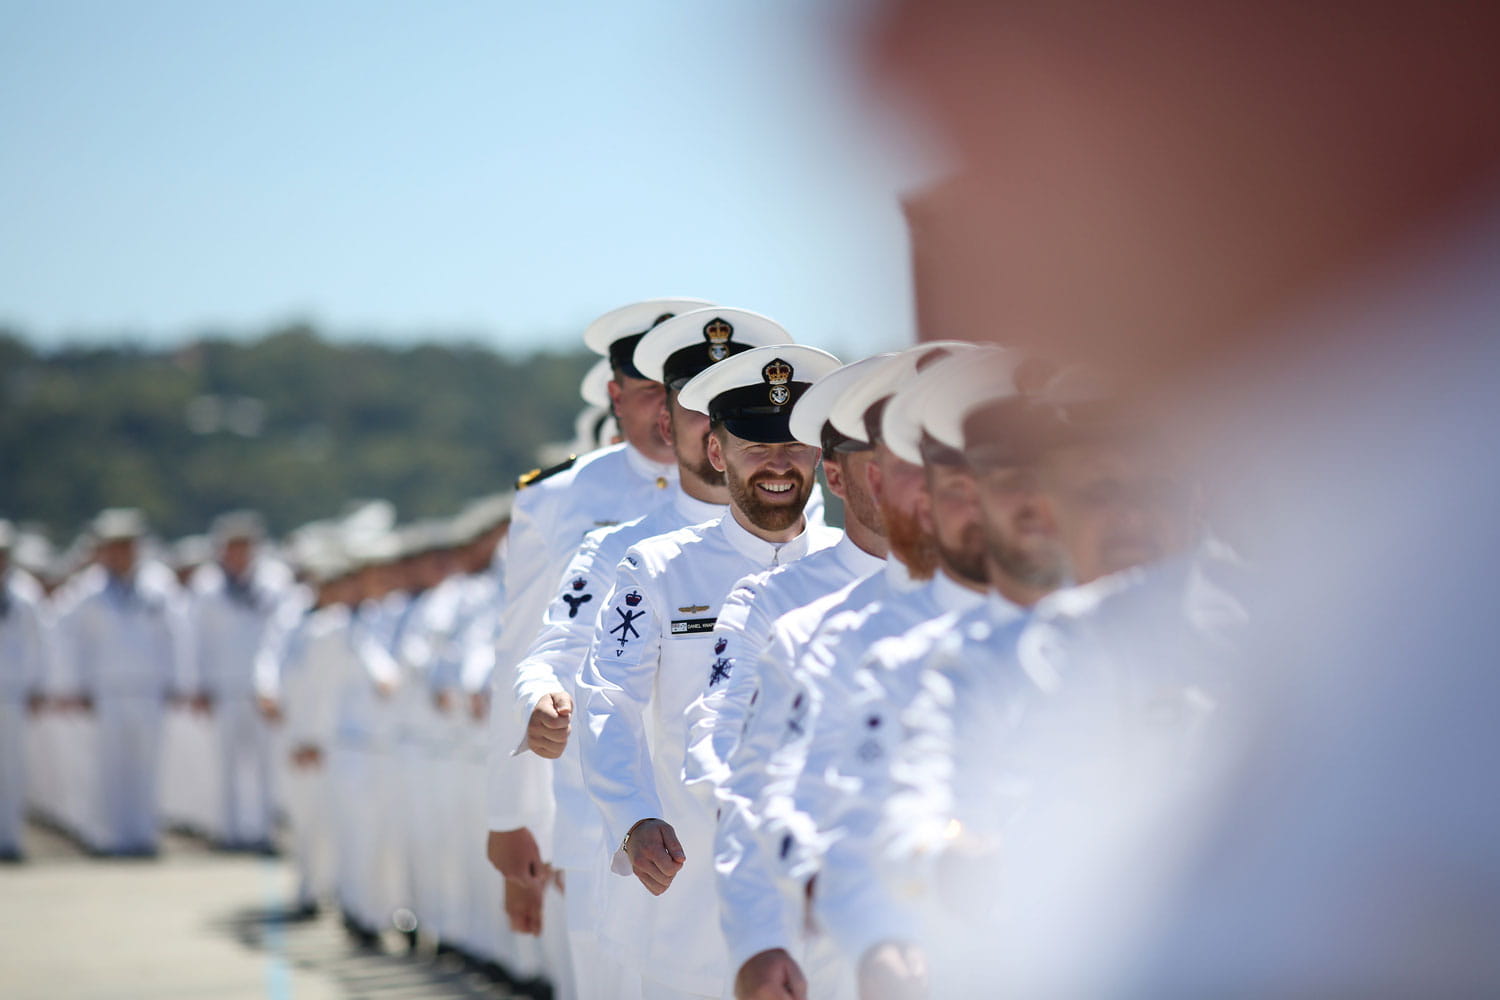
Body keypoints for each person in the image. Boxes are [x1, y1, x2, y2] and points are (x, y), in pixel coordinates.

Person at [510, 305, 796, 999]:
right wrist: (631, 813)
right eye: (697, 406)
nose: (711, 425)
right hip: (677, 867)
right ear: (670, 422)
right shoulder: (631, 554)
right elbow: (573, 670)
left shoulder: (817, 545)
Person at [578, 343, 843, 1000]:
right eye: (755, 444)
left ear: (820, 456)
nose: (778, 463)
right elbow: (608, 695)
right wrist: (634, 817)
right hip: (692, 892)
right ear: (717, 453)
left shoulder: (856, 569)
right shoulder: (658, 569)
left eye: (795, 445)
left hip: (835, 901)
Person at [485, 297, 710, 989]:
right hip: (596, 815)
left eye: (680, 397)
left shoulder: (752, 497)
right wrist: (511, 814)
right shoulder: (559, 499)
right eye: (648, 395)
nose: (665, 415)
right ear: (616, 396)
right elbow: (523, 653)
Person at [676, 354, 894, 1000]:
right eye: (878, 466)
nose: (906, 485)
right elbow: (724, 745)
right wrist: (764, 915)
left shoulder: (986, 595)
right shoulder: (778, 604)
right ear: (837, 476)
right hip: (822, 907)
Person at [57, 508, 190, 856]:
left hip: (148, 687)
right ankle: (112, 837)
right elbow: (72, 641)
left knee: (147, 765)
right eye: (114, 546)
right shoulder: (86, 590)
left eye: (127, 545)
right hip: (107, 688)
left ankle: (144, 835)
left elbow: (175, 636)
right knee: (109, 766)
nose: (120, 553)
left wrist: (179, 681)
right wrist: (75, 685)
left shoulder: (158, 586)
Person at [191, 510, 293, 851]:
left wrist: (280, 684)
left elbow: (283, 636)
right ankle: (230, 832)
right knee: (226, 764)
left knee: (266, 764)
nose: (238, 553)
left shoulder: (275, 580)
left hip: (264, 690)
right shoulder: (207, 585)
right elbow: (197, 639)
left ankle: (263, 832)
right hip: (224, 685)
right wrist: (198, 684)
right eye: (232, 546)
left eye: (244, 545)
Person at [0, 520, 54, 861]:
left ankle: (11, 839)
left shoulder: (25, 593)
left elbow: (40, 644)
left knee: (13, 770)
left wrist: (39, 686)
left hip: (13, 692)